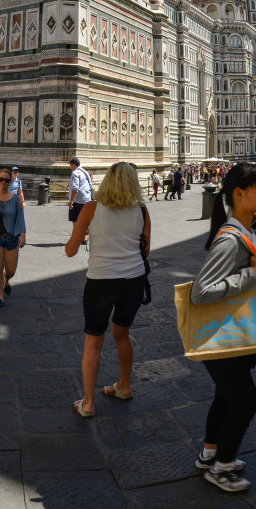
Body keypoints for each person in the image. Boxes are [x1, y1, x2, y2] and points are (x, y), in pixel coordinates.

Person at [191, 162, 256, 492]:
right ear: (239, 194)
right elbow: (201, 292)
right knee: (245, 402)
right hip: (222, 337)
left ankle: (210, 453)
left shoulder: (246, 231)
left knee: (225, 397)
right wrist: (255, 273)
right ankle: (222, 467)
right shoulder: (231, 239)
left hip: (232, 335)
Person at [65, 162, 150, 418]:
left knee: (93, 341)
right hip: (133, 281)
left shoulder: (91, 208)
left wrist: (88, 234)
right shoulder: (142, 210)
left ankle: (88, 403)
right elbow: (145, 250)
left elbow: (70, 250)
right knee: (122, 334)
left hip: (101, 281)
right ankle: (124, 386)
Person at [0, 167, 27, 306]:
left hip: (12, 237)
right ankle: (0, 296)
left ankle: (6, 279)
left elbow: (20, 217)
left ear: (11, 182)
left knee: (10, 270)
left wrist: (22, 235)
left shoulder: (16, 198)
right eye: (1, 179)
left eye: (7, 180)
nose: (4, 182)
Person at [68, 158, 92, 224]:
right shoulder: (85, 172)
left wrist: (71, 201)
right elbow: (90, 184)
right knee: (84, 223)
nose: (70, 167)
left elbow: (75, 188)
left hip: (77, 201)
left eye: (70, 165)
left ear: (73, 165)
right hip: (86, 200)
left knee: (76, 223)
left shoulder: (75, 173)